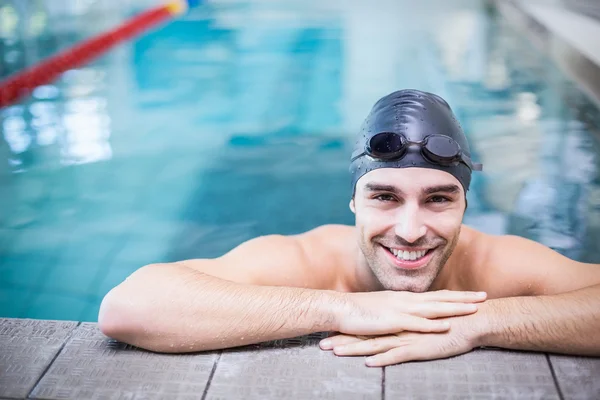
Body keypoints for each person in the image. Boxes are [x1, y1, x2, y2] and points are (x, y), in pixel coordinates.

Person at [98, 89, 600, 367]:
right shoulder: (305, 263)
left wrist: (477, 325)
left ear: (465, 205)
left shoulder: (499, 265)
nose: (409, 230)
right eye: (384, 197)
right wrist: (343, 307)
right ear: (353, 202)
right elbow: (129, 306)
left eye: (439, 199)